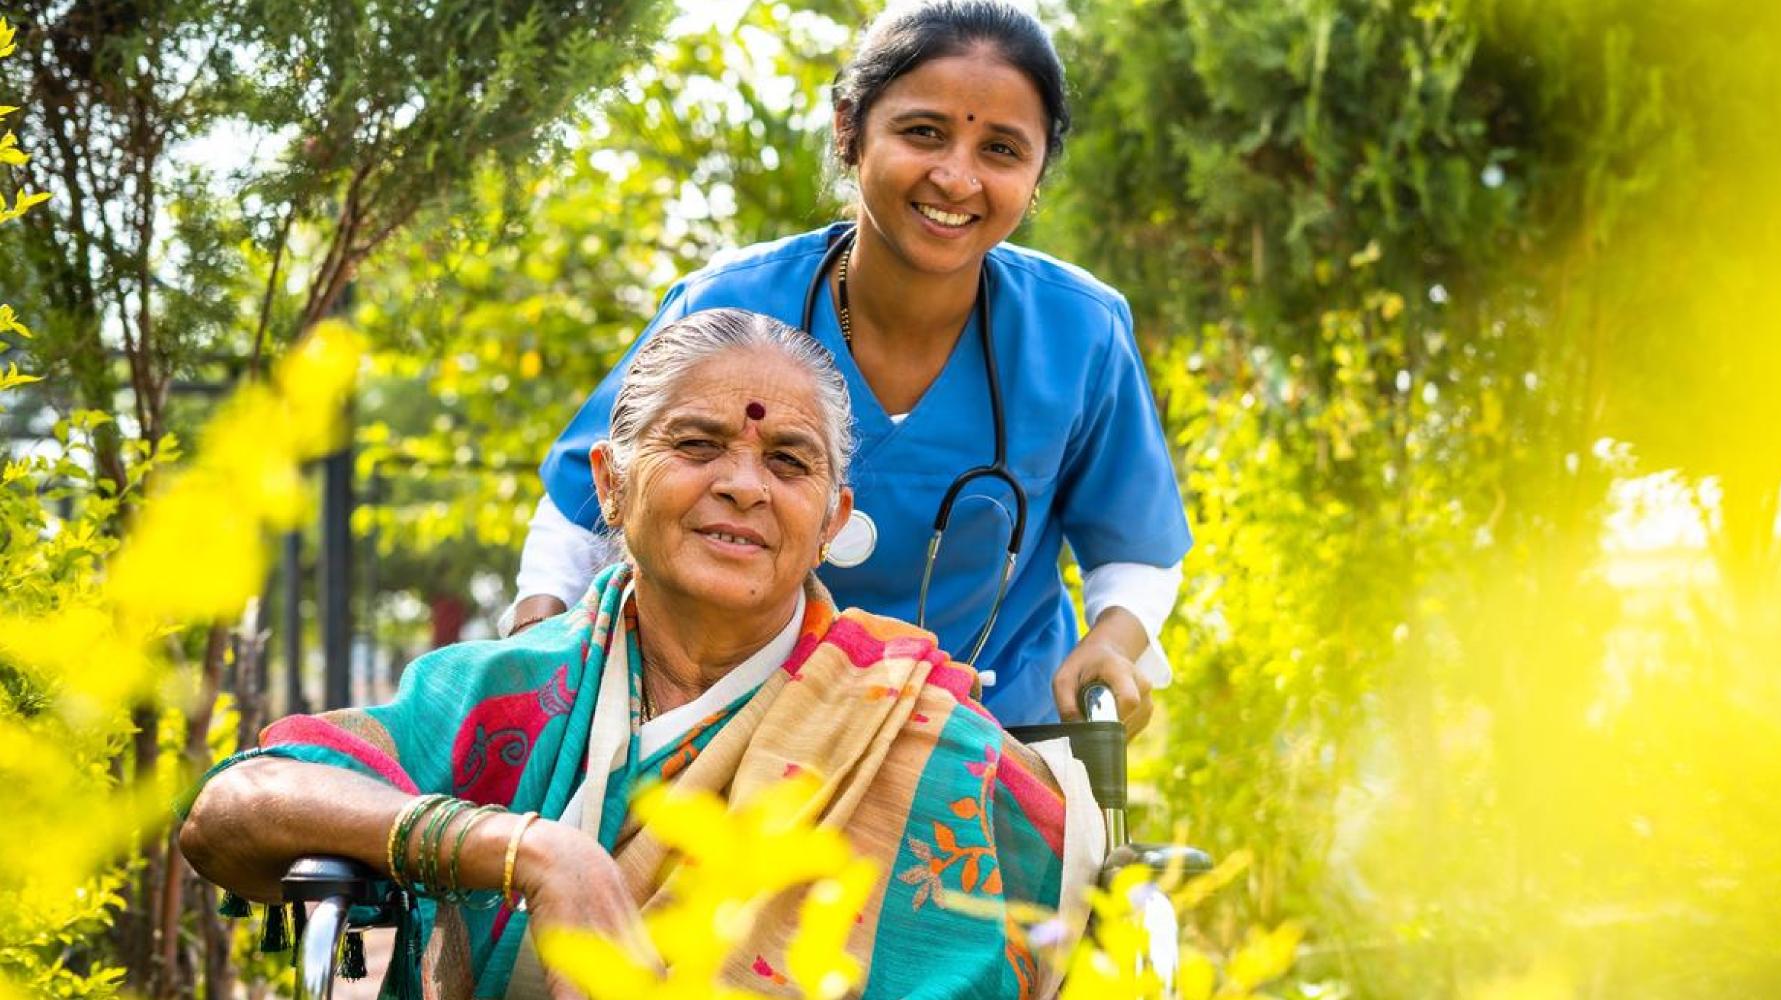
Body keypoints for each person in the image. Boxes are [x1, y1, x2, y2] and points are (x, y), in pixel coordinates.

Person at [179, 309, 1101, 1000]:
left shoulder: (921, 735)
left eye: (788, 462)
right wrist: (531, 852)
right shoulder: (505, 693)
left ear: (831, 521)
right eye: (697, 444)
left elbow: (1060, 910)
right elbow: (234, 808)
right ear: (611, 486)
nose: (743, 484)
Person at [510, 0, 1192, 733]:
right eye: (922, 132)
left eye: (1001, 150)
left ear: (1036, 173)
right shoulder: (729, 303)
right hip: (734, 737)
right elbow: (583, 506)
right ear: (849, 130)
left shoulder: (1079, 330)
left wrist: (1111, 643)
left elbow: (1137, 551)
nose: (957, 179)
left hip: (996, 746)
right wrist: (537, 647)